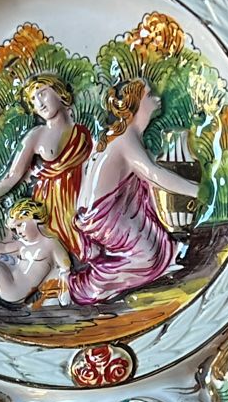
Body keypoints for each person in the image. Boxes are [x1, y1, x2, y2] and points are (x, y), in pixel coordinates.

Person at [68, 80, 198, 306]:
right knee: (147, 258)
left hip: (104, 212)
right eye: (149, 95)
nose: (156, 98)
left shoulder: (121, 135)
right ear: (134, 105)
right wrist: (196, 191)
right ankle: (91, 285)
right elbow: (154, 174)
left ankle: (165, 258)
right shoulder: (126, 138)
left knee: (155, 248)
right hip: (102, 218)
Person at [0, 74, 92, 255]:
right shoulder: (36, 136)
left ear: (60, 93)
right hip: (52, 206)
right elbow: (11, 178)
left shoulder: (82, 131)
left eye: (42, 94)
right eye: (33, 100)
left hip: (82, 197)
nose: (40, 104)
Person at [0, 201, 72, 306]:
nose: (18, 232)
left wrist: (65, 289)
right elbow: (3, 248)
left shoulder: (50, 243)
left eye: (20, 225)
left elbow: (66, 268)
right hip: (11, 287)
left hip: (17, 292)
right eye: (15, 228)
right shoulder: (22, 244)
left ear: (35, 219)